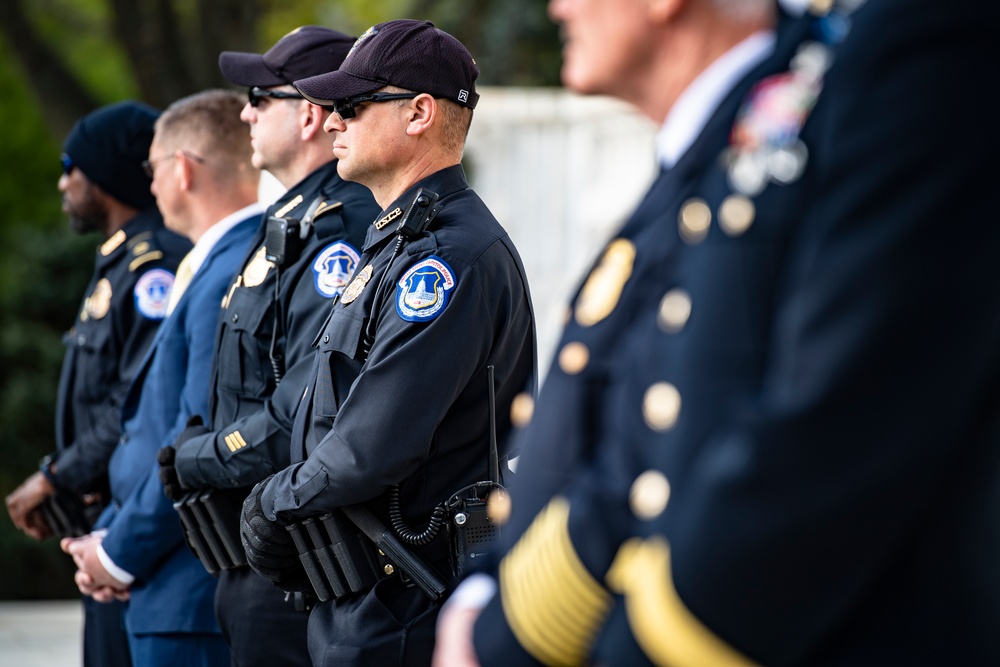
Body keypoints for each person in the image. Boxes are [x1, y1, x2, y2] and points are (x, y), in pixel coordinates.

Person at [435, 0, 1000, 665]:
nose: (557, 6)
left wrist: (507, 639)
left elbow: (788, 451)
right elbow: (609, 445)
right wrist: (485, 606)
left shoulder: (859, 81)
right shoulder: (708, 157)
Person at [237, 19, 536, 667]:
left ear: (420, 113)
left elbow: (373, 443)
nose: (332, 121)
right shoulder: (399, 241)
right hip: (360, 601)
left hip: (404, 602)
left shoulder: (447, 257)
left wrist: (273, 498)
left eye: (350, 105)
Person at [156, 26, 380, 667]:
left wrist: (198, 456)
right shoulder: (289, 223)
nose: (245, 112)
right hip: (251, 548)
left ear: (309, 114)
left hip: (291, 558)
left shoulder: (338, 232)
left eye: (259, 96)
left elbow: (305, 414)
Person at [60, 89, 262, 667]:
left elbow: (192, 436)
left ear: (181, 170)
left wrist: (118, 552)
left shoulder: (228, 267)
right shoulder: (215, 260)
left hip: (185, 587)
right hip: (163, 576)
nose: (147, 185)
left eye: (151, 169)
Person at [5, 100, 189, 667]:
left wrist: (57, 474)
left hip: (133, 527)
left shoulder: (154, 267)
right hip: (102, 525)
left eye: (72, 166)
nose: (63, 183)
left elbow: (137, 404)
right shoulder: (120, 261)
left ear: (107, 172)